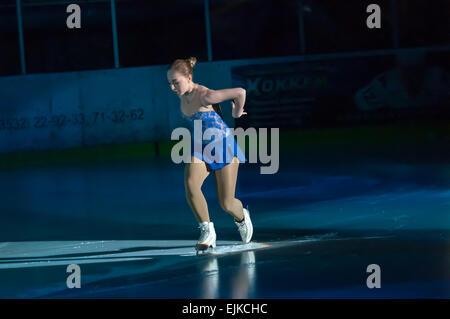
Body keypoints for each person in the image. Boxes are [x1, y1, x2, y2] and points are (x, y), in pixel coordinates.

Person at [167, 57, 253, 253]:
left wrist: (238, 114)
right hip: (201, 146)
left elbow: (240, 92)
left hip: (223, 146)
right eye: (170, 83)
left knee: (226, 203)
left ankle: (242, 217)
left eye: (175, 82)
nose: (172, 87)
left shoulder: (205, 95)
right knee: (191, 185)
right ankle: (207, 231)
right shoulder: (184, 95)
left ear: (189, 77)